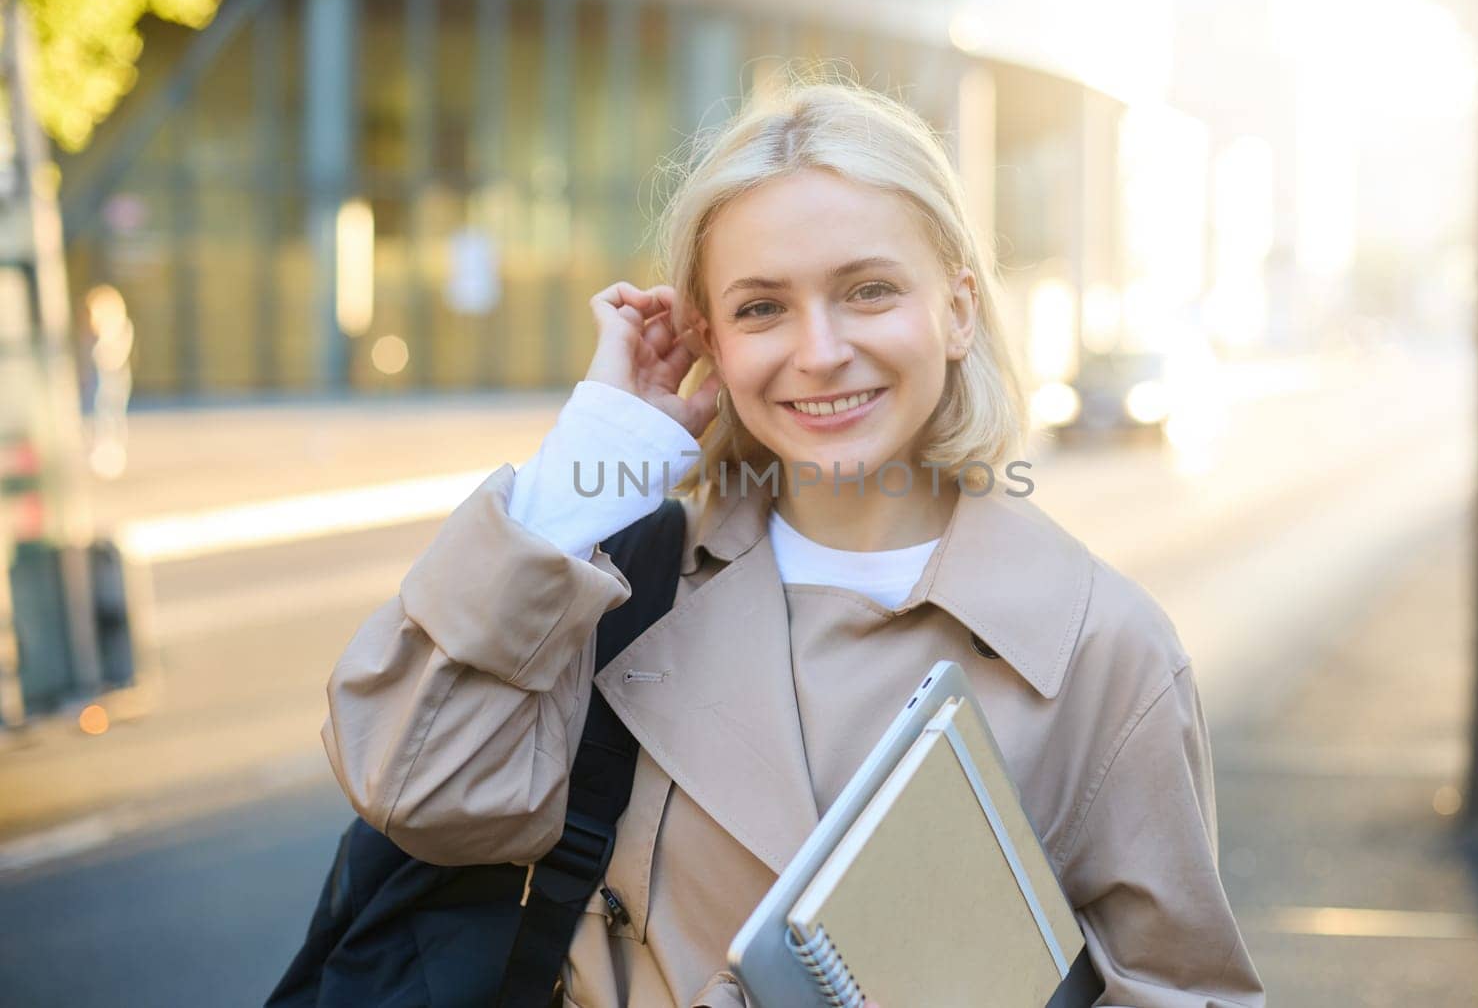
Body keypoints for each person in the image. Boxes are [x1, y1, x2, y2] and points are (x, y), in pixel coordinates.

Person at [321, 76, 1265, 1007]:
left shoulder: (1101, 646)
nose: (818, 351)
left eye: (868, 290)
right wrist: (584, 471)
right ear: (711, 342)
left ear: (958, 311)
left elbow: (1180, 990)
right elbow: (416, 787)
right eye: (761, 307)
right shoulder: (618, 587)